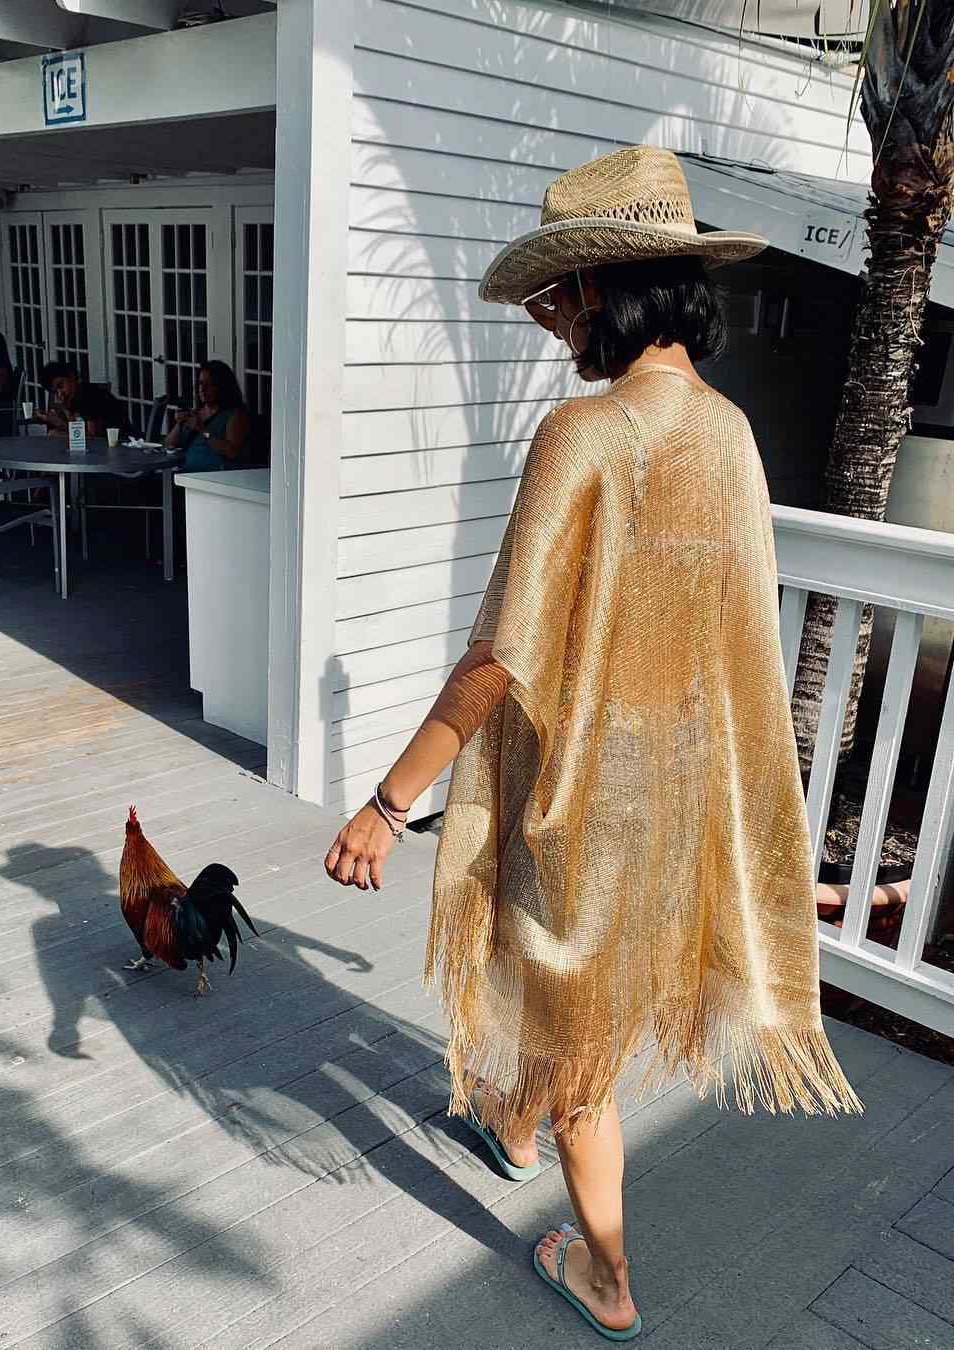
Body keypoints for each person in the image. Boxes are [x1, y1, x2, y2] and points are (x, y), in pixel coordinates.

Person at [321, 146, 863, 1339]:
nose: (553, 321)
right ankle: (509, 1130)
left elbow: (502, 655)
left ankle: (607, 1276)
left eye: (559, 297)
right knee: (566, 1009)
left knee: (579, 1056)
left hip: (581, 801)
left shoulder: (585, 433)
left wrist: (388, 803)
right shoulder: (729, 433)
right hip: (675, 791)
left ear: (600, 290)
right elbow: (729, 632)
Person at [165, 361, 253, 471]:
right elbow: (169, 445)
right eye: (200, 383)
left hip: (215, 475)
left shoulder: (234, 415)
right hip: (187, 472)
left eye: (209, 384)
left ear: (222, 387)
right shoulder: (196, 413)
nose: (202, 389)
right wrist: (179, 424)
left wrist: (202, 430)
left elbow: (232, 452)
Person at [36, 360, 129, 438]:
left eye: (61, 386)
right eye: (55, 392)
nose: (60, 394)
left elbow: (92, 438)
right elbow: (76, 431)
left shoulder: (91, 395)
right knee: (53, 434)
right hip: (95, 444)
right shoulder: (71, 398)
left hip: (118, 443)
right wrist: (66, 409)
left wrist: (59, 423)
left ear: (72, 376)